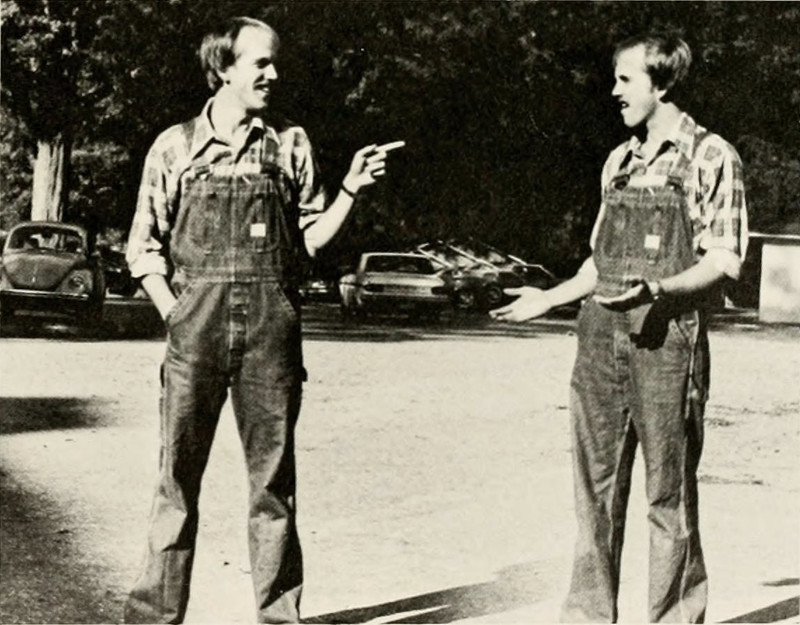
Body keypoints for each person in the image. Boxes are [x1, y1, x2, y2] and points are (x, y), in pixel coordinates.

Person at [123, 16, 404, 624]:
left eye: (275, 63)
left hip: (271, 339)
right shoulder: (174, 147)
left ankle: (279, 617)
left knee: (273, 488)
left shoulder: (290, 145)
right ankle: (152, 617)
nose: (274, 74)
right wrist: (175, 313)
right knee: (176, 484)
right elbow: (142, 247)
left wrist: (350, 190)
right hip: (194, 336)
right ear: (223, 69)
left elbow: (310, 242)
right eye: (261, 63)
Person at [492, 33, 747, 623]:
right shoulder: (618, 161)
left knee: (668, 495)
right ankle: (588, 616)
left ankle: (673, 617)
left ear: (663, 83)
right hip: (598, 342)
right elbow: (597, 263)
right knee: (595, 494)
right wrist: (548, 298)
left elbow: (723, 259)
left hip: (667, 340)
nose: (613, 91)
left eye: (625, 80)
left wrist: (660, 289)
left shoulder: (711, 155)